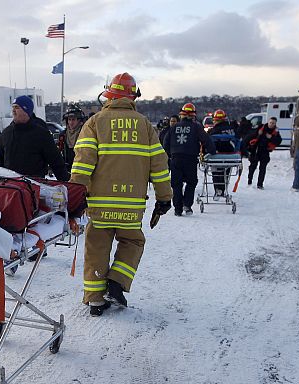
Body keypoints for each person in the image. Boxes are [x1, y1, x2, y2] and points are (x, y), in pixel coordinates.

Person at [70, 72, 172, 317]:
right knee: (133, 241)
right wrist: (164, 198)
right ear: (133, 96)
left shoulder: (94, 122)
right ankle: (116, 282)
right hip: (131, 206)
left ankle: (95, 300)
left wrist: (74, 198)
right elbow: (159, 165)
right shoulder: (145, 125)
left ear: (108, 94)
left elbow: (83, 164)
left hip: (99, 205)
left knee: (96, 248)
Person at [0, 95, 69, 180]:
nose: (13, 111)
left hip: (34, 187)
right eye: (13, 107)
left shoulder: (41, 134)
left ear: (27, 110)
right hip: (11, 188)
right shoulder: (6, 133)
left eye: (17, 107)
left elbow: (56, 162)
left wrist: (67, 185)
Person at [163, 102, 215, 216]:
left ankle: (177, 209)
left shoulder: (174, 127)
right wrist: (212, 151)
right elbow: (206, 140)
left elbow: (165, 143)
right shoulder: (196, 127)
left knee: (176, 184)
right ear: (193, 115)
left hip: (175, 159)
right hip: (190, 159)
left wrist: (169, 155)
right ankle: (187, 204)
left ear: (181, 114)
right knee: (191, 182)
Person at [246, 117, 282, 189]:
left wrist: (271, 137)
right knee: (252, 166)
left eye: (273, 123)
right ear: (268, 122)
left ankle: (260, 184)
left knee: (262, 168)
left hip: (265, 151)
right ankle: (249, 181)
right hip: (256, 150)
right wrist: (257, 133)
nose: (271, 124)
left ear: (275, 124)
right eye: (270, 122)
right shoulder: (260, 127)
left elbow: (278, 141)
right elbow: (250, 136)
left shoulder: (276, 132)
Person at [207, 109, 233, 196]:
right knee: (226, 174)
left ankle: (218, 189)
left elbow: (210, 144)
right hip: (231, 156)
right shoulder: (231, 129)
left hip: (217, 156)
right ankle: (222, 189)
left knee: (216, 172)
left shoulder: (214, 130)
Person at [58, 104, 86, 174]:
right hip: (67, 170)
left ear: (80, 121)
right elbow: (59, 151)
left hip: (82, 170)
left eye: (73, 120)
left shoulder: (85, 134)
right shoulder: (63, 135)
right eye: (69, 120)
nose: (71, 122)